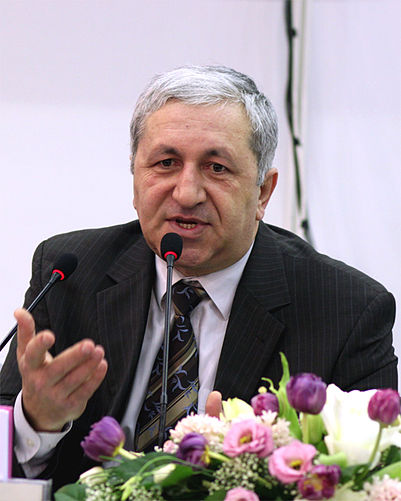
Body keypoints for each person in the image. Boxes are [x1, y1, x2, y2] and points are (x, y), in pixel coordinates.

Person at [0, 65, 397, 490]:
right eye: (166, 163)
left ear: (263, 192)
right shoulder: (70, 272)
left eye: (217, 168)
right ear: (135, 180)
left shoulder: (346, 309)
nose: (187, 193)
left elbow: (374, 477)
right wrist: (37, 421)